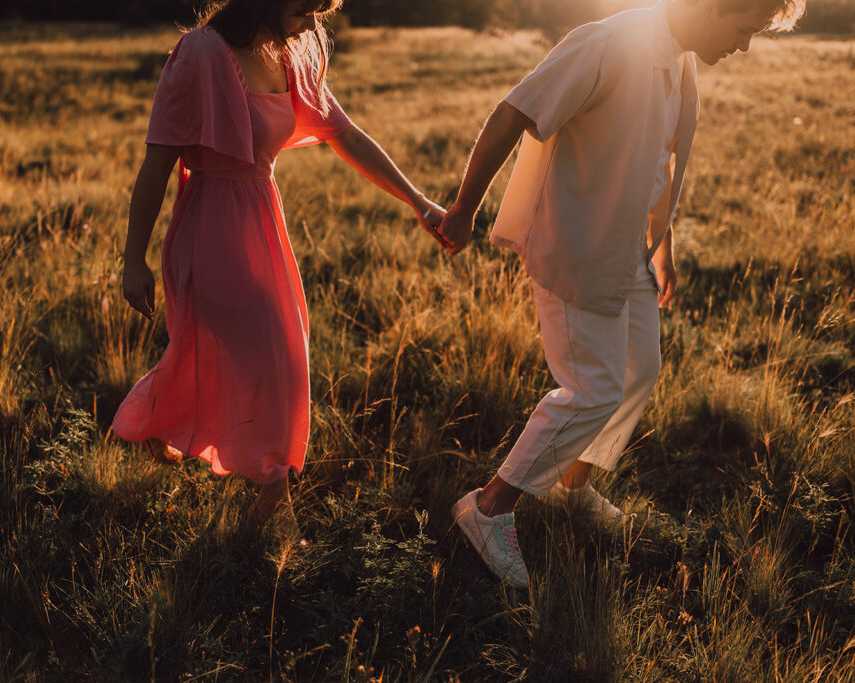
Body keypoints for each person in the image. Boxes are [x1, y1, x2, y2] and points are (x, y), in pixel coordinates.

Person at [440, 0, 805, 587]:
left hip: (624, 249)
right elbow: (513, 112)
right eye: (743, 30)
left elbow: (655, 162)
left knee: (640, 369)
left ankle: (572, 485)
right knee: (593, 388)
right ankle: (487, 509)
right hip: (577, 248)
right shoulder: (607, 43)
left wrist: (663, 246)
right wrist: (463, 210)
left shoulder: (681, 61)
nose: (744, 46)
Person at [113, 0, 449, 527]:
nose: (313, 22)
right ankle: (272, 501)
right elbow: (156, 162)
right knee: (275, 358)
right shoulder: (201, 53)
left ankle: (165, 418)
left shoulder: (292, 55)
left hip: (263, 223)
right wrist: (133, 260)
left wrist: (419, 201)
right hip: (211, 227)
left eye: (319, 9)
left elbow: (348, 136)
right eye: (303, 6)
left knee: (272, 350)